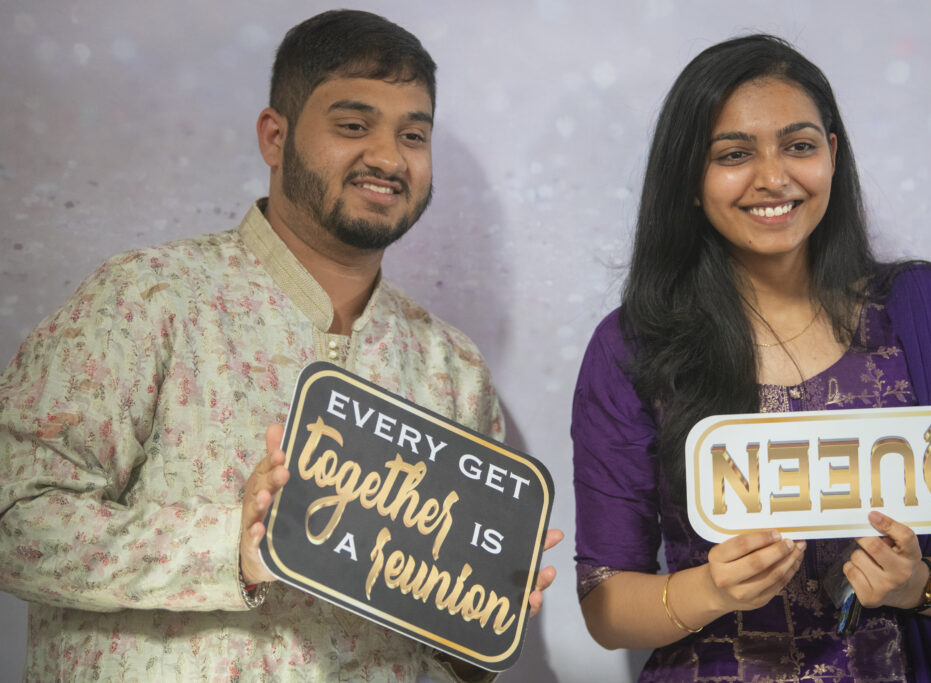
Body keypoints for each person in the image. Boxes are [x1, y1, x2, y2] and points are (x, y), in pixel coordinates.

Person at [0, 10, 560, 682]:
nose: (387, 156)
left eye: (413, 134)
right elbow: (16, 520)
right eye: (353, 125)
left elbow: (453, 657)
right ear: (276, 136)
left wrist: (477, 626)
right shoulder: (148, 299)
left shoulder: (453, 371)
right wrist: (231, 544)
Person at [571, 34, 931, 682]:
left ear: (832, 155)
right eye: (734, 154)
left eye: (799, 145)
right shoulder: (632, 348)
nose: (774, 177)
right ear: (689, 177)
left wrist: (916, 581)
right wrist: (711, 590)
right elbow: (605, 604)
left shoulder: (928, 319)